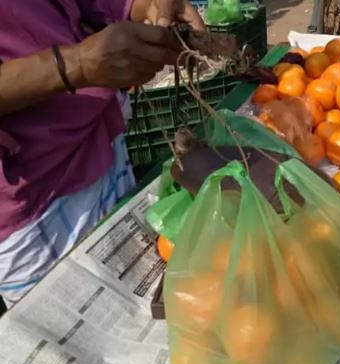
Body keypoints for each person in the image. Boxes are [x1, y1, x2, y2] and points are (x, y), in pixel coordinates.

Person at [0, 1, 205, 308]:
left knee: (154, 303)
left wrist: (145, 6)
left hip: (104, 146)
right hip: (35, 202)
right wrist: (75, 65)